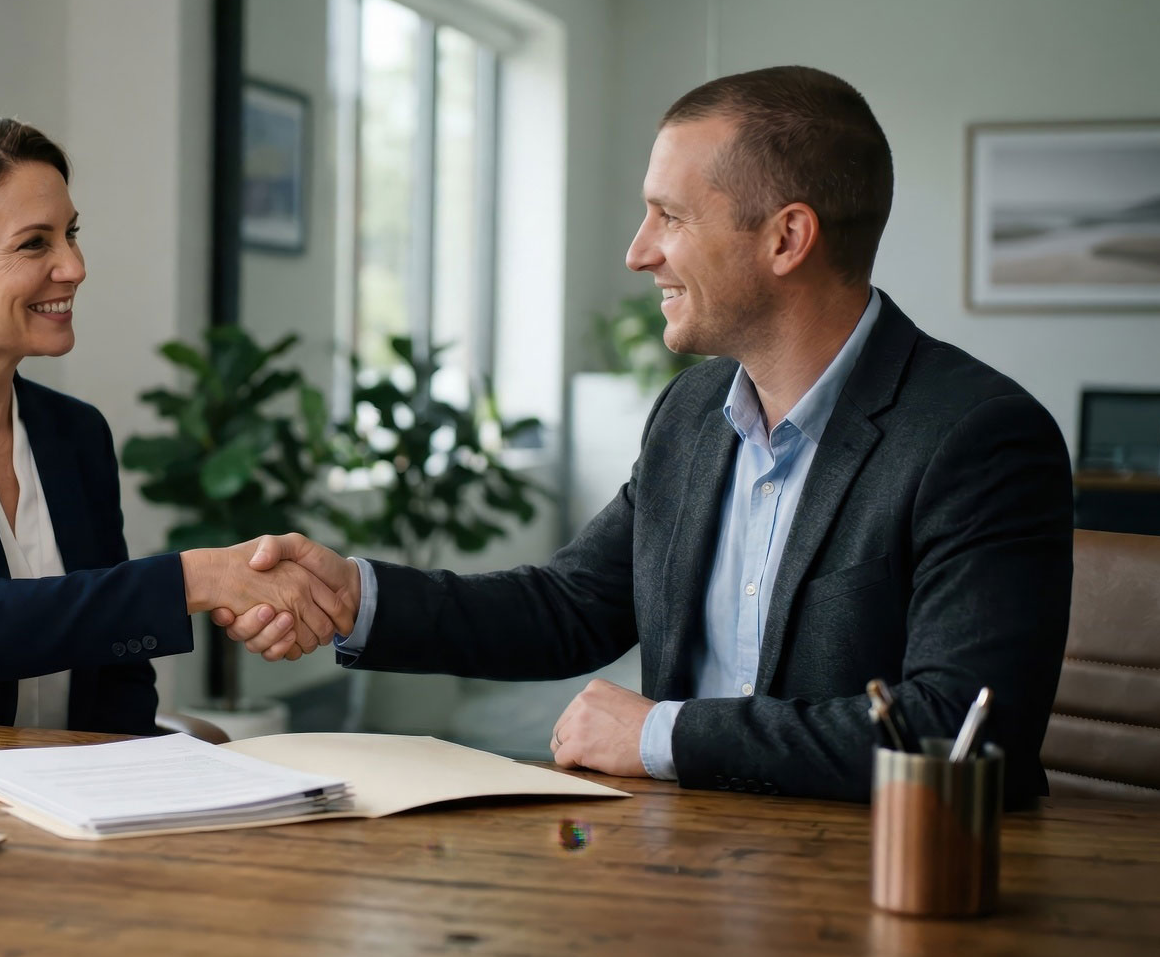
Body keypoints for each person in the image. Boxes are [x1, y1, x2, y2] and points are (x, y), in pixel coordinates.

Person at [218, 66, 1072, 805]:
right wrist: (352, 597)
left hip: (872, 880)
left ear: (787, 238)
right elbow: (571, 607)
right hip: (683, 866)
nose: (637, 252)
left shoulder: (979, 438)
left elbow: (957, 733)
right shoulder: (691, 414)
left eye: (669, 215)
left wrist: (662, 734)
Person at [0, 107, 343, 733]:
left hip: (67, 795)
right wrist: (201, 577)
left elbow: (118, 673)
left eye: (71, 233)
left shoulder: (74, 433)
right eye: (34, 243)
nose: (73, 266)